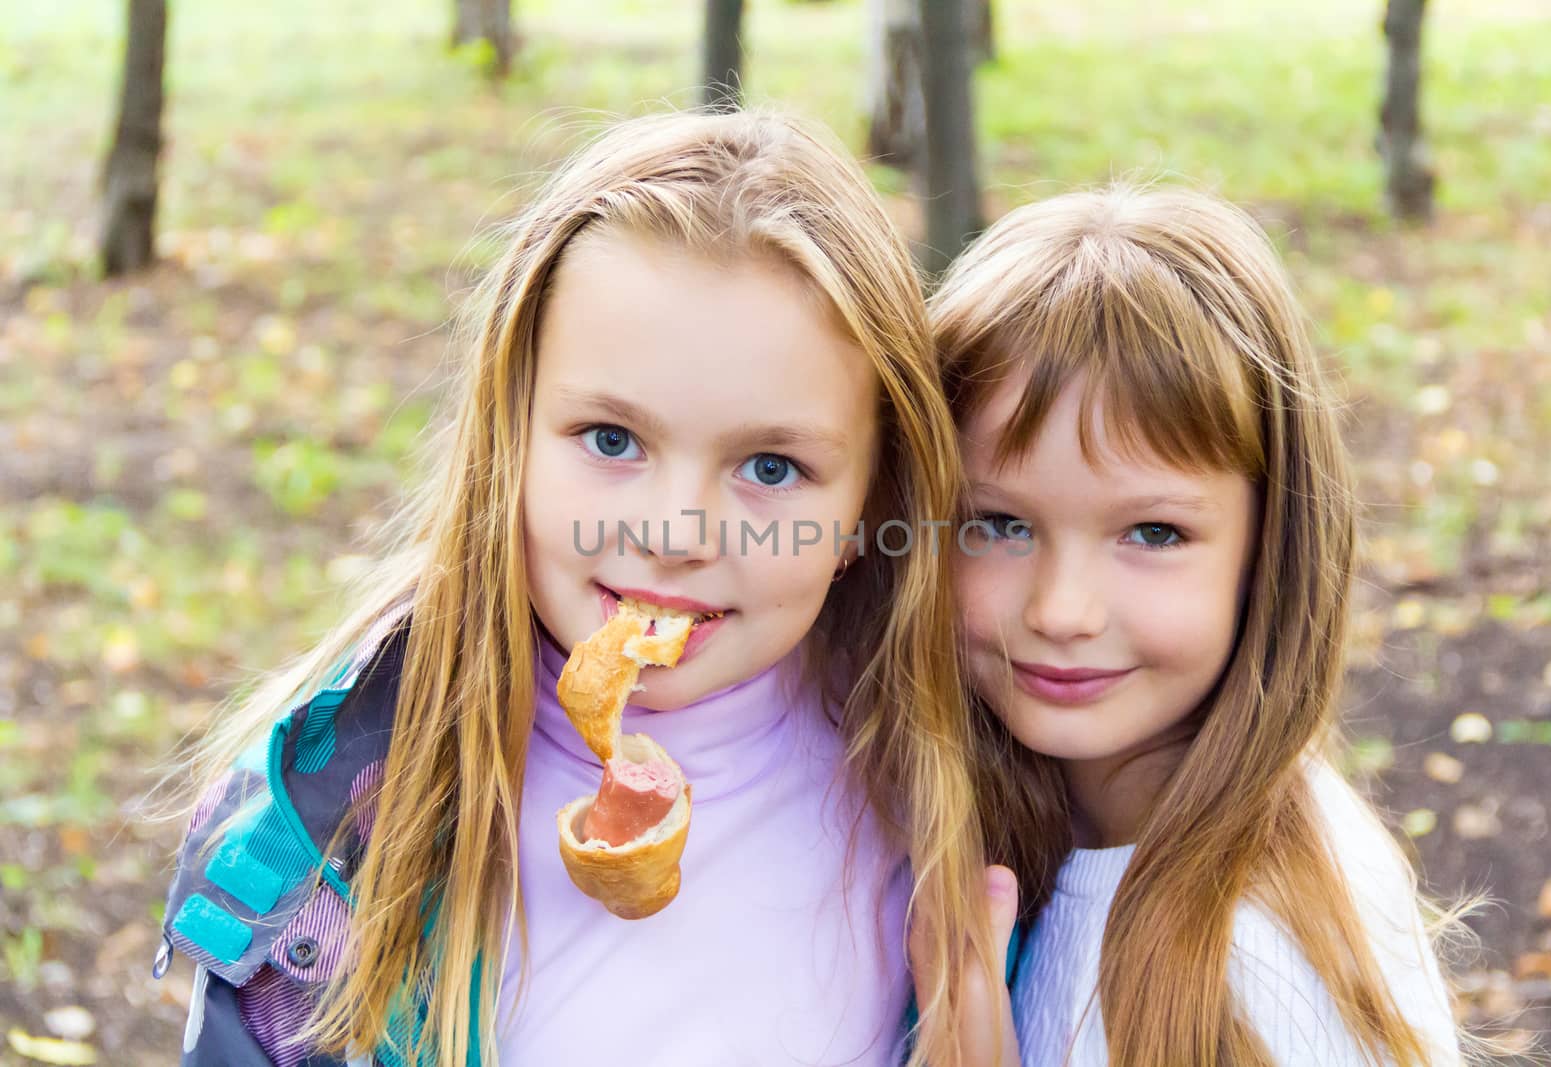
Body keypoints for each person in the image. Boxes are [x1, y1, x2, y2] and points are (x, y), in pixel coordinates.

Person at [157, 109, 997, 1067]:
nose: (675, 533)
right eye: (612, 440)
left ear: (866, 505)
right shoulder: (336, 820)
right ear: (508, 438)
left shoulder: (938, 780)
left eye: (769, 468)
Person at [922, 185, 1465, 1066]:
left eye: (1153, 532)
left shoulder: (1259, 964)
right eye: (1000, 524)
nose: (1061, 610)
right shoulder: (1047, 822)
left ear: (1270, 548)